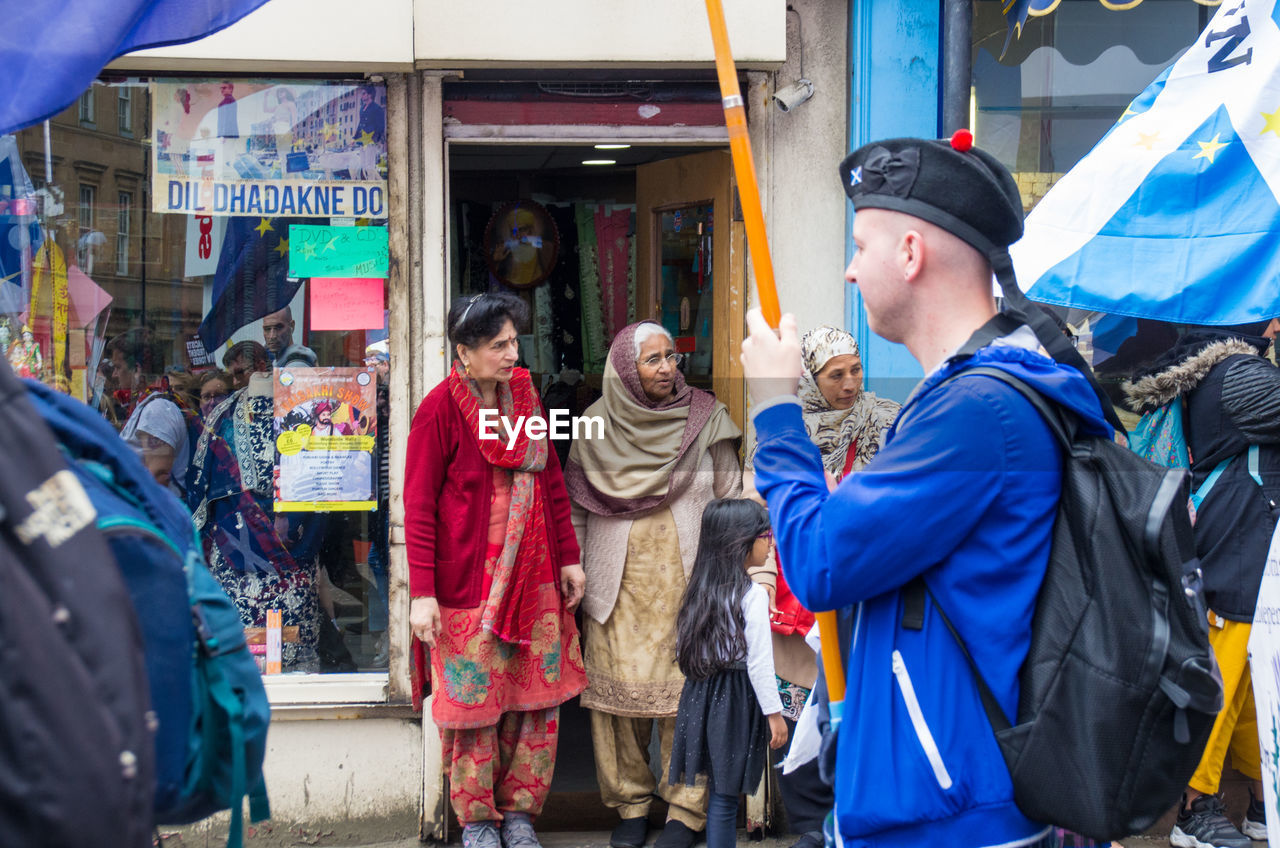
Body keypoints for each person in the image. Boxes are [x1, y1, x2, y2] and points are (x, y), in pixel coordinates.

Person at [742, 135, 1113, 848]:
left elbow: (820, 561)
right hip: (939, 799)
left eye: (859, 246)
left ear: (910, 253)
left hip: (950, 815)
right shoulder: (970, 398)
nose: (850, 272)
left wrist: (774, 410)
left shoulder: (979, 412)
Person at [405, 292, 587, 848]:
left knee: (533, 705)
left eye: (514, 342)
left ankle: (520, 815)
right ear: (464, 352)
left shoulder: (526, 403)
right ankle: (478, 820)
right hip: (468, 587)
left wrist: (570, 558)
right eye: (499, 345)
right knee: (473, 708)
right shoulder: (439, 409)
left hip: (534, 582)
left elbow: (552, 486)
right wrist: (423, 593)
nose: (513, 354)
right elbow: (419, 506)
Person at [564, 320, 742, 848]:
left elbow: (731, 497)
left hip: (689, 583)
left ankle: (686, 810)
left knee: (689, 697)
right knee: (618, 704)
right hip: (614, 587)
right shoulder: (593, 427)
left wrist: (732, 576)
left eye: (672, 358)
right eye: (653, 360)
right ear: (624, 370)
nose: (667, 369)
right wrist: (573, 568)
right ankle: (631, 805)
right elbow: (574, 510)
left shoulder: (705, 419)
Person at [1124, 326, 1280, 848]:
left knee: (1253, 688)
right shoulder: (1239, 374)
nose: (1278, 324)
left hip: (1249, 544)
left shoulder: (1228, 368)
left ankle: (1262, 801)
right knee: (1222, 678)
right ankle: (1194, 807)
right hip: (1235, 544)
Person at [746, 325, 901, 848]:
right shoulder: (787, 430)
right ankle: (810, 826)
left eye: (856, 369)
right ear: (811, 379)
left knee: (853, 706)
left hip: (861, 582)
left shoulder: (888, 421)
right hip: (797, 588)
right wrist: (762, 579)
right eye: (836, 374)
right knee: (797, 713)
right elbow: (760, 515)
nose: (851, 382)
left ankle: (851, 817)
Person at [669, 498, 788, 848]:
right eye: (765, 534)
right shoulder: (751, 596)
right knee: (725, 796)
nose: (771, 542)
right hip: (735, 698)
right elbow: (760, 663)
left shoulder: (698, 591)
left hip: (700, 694)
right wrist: (774, 714)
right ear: (740, 542)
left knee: (716, 792)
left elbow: (682, 649)